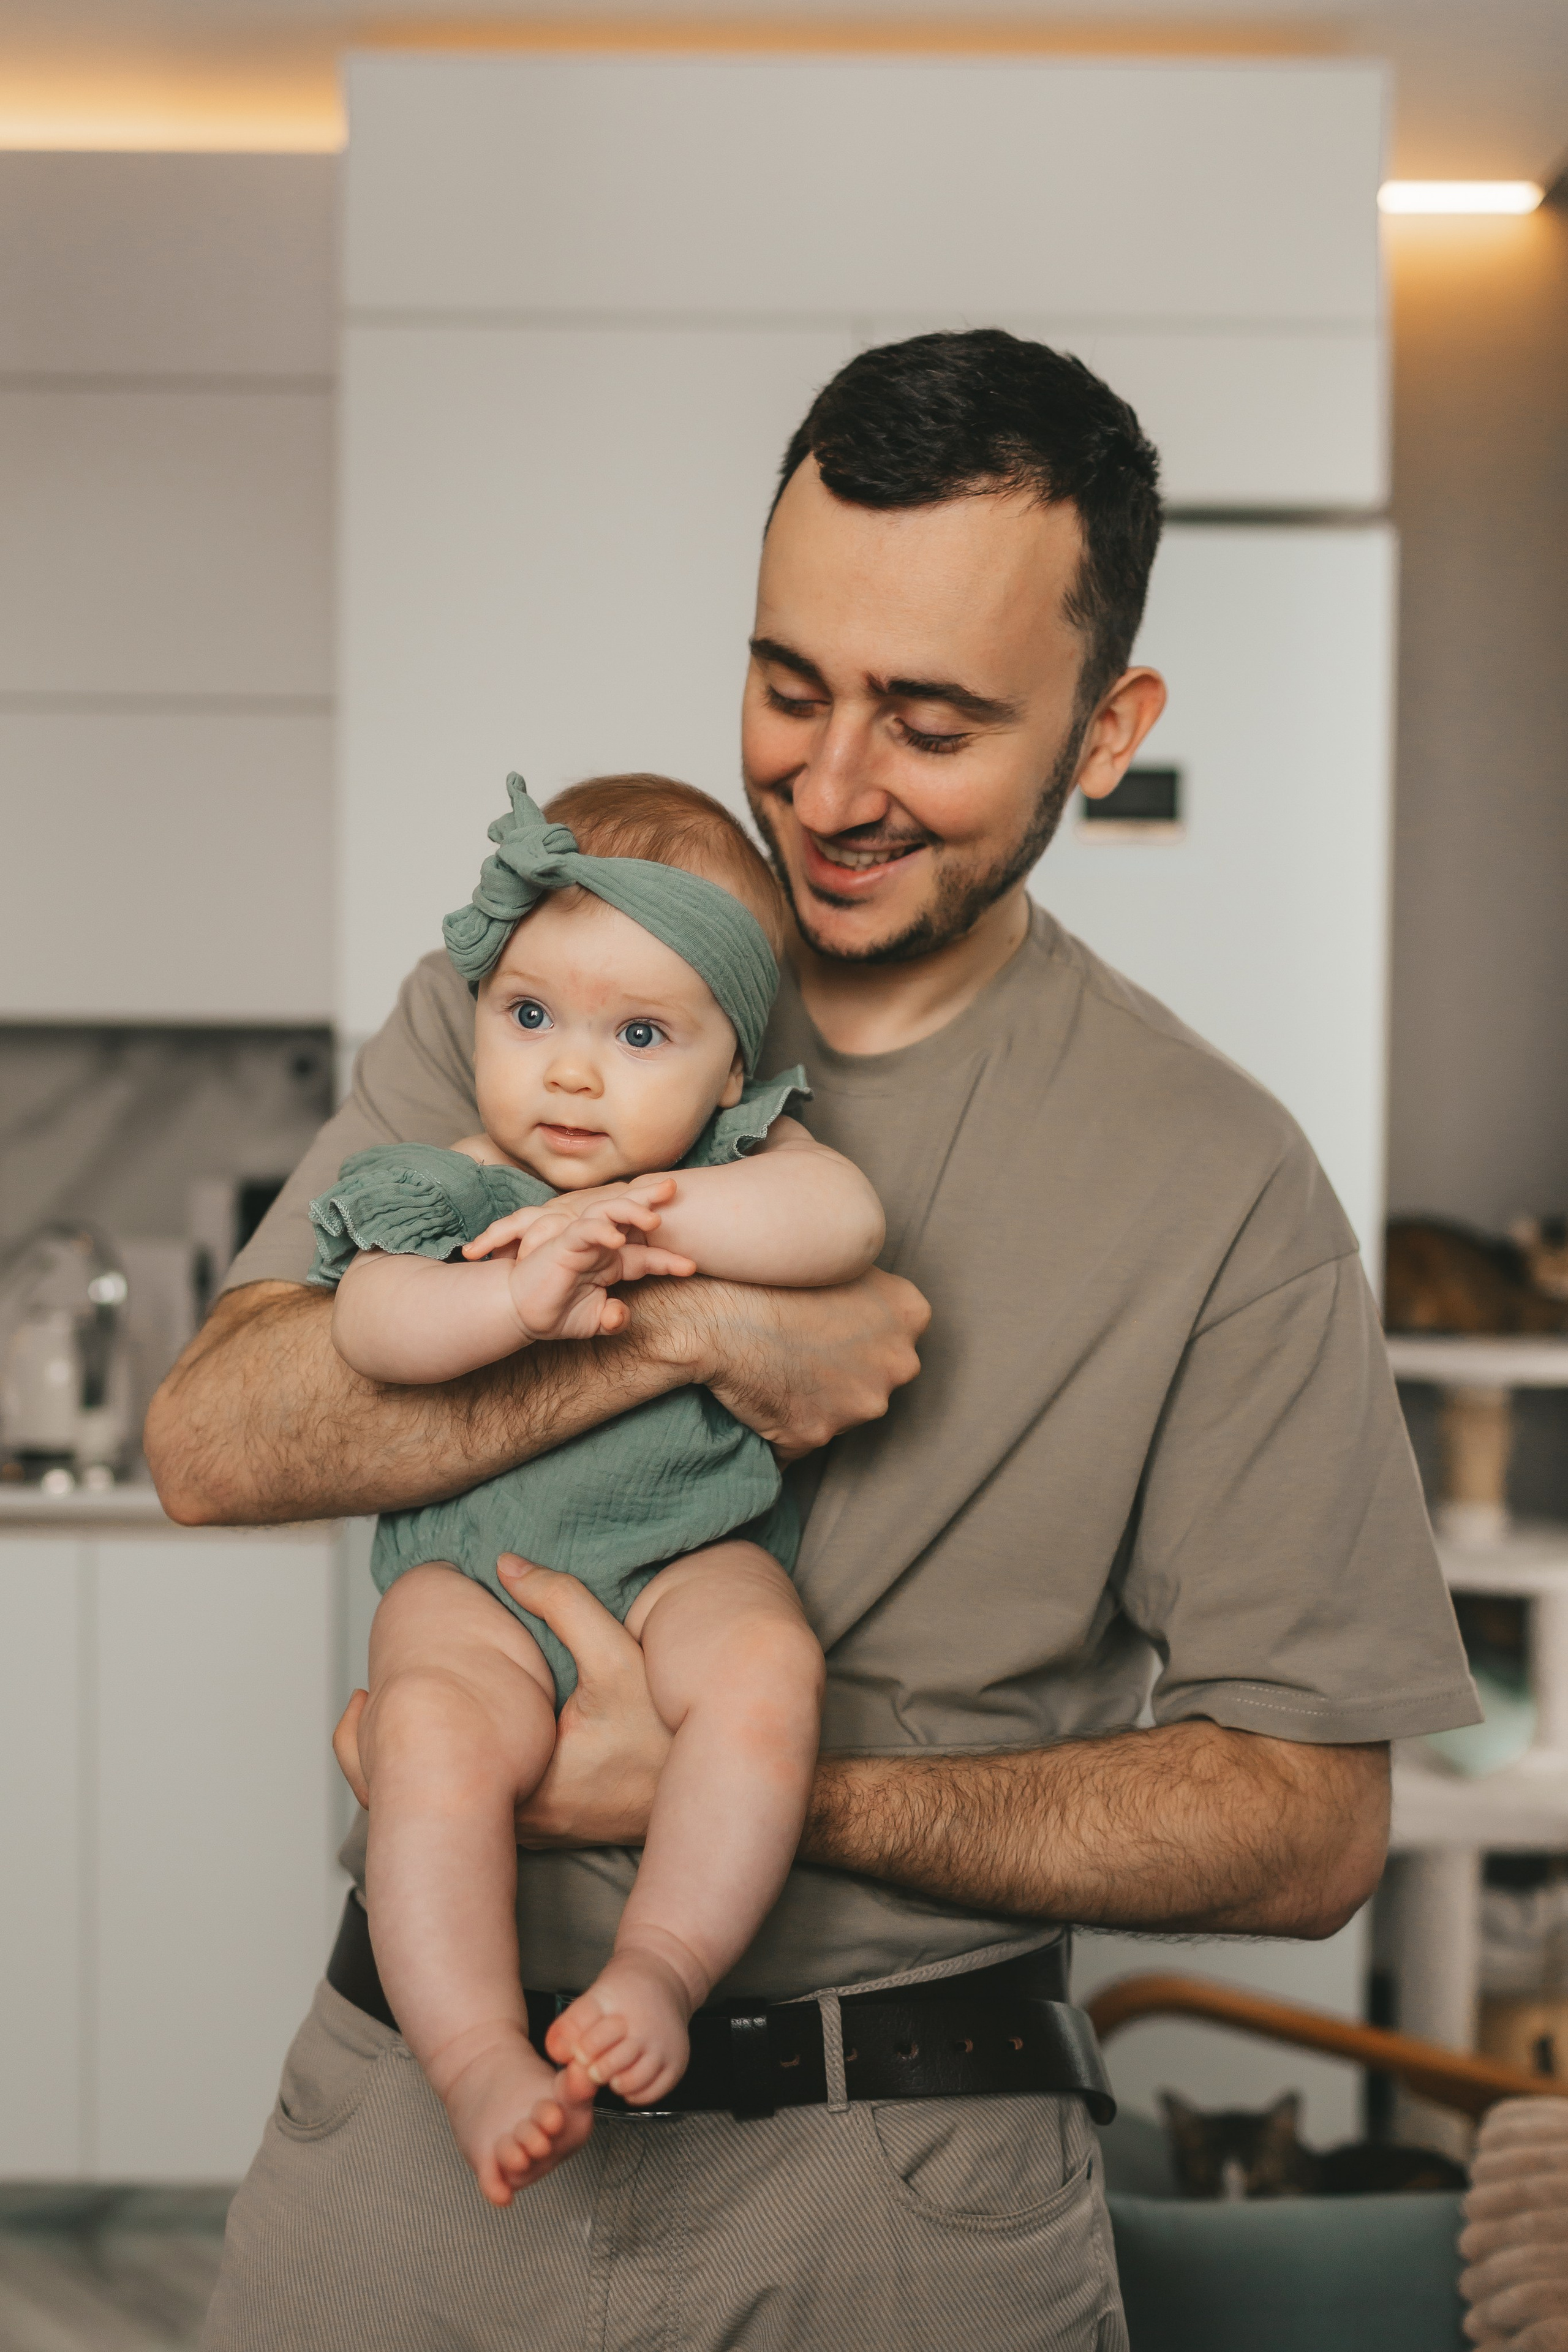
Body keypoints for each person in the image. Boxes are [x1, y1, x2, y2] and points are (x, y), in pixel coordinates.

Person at [149, 330, 1477, 2352]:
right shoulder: (545, 987)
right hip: (412, 2156)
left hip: (906, 2201)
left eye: (931, 722)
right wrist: (679, 1337)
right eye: (791, 685)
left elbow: (1311, 1824)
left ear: (1107, 730)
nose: (830, 786)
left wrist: (739, 1789)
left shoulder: (1218, 1180)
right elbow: (218, 1439)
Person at [312, 772, 881, 2204]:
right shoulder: (453, 1179)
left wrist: (637, 1219)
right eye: (529, 1018)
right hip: (477, 1578)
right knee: (429, 1736)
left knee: (765, 1667)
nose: (569, 1074)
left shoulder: (741, 1165)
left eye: (638, 1035)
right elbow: (373, 1322)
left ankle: (662, 1968)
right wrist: (510, 1302)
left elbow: (844, 1221)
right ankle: (474, 2056)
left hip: (689, 1546)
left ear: (725, 1069)